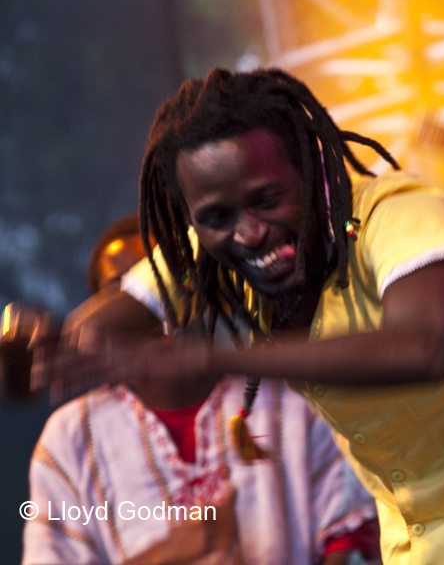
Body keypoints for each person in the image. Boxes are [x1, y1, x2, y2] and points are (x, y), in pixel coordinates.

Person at [60, 68, 444, 565]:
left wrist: (211, 355)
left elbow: (420, 347)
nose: (250, 232)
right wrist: (49, 344)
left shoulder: (397, 211)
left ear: (312, 169)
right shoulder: (218, 257)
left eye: (267, 200)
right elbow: (93, 331)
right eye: (217, 217)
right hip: (427, 549)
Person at [23, 215, 380, 565]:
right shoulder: (70, 437)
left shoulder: (292, 398)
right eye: (127, 293)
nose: (154, 308)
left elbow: (352, 533)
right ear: (102, 307)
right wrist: (170, 553)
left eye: (168, 285)